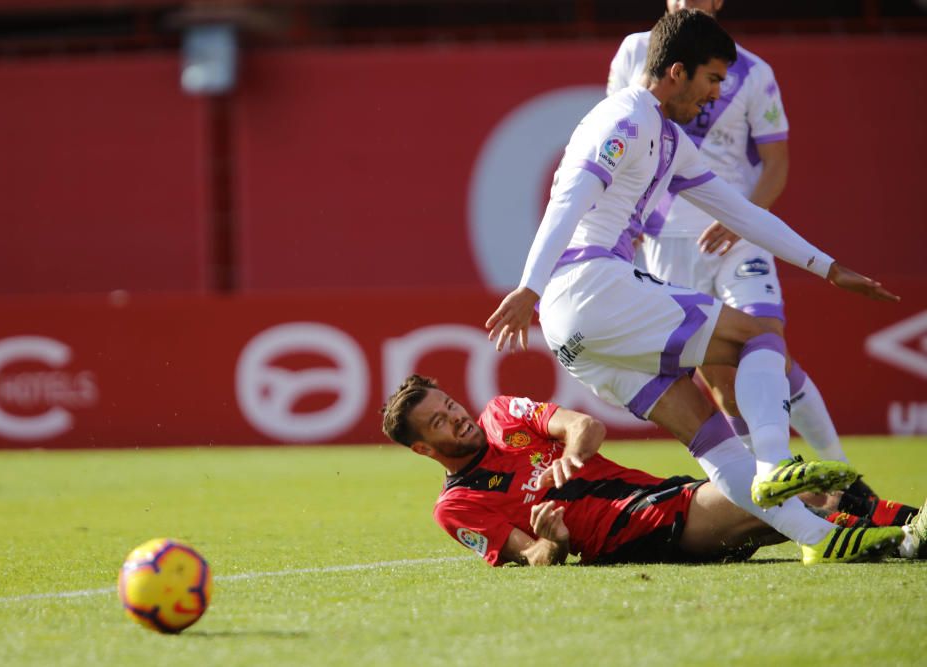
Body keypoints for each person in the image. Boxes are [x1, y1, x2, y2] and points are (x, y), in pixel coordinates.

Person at [483, 9, 907, 562]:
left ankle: (822, 540)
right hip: (590, 286)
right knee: (757, 336)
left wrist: (826, 267)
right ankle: (777, 464)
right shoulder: (625, 119)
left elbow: (742, 213)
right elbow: (568, 202)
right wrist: (528, 287)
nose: (713, 97)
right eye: (710, 80)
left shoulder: (668, 138)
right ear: (676, 72)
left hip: (575, 334)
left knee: (712, 437)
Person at [605, 0, 915, 527]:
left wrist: (746, 216)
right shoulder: (637, 51)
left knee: (765, 338)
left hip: (738, 234)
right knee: (722, 381)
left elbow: (776, 162)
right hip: (665, 241)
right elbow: (622, 142)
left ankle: (841, 478)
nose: (686, 3)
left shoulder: (752, 72)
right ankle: (786, 500)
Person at [380, 375, 925, 566]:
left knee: (792, 493)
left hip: (662, 494)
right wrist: (555, 538)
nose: (455, 418)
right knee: (782, 492)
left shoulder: (501, 416)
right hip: (636, 533)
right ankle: (911, 527)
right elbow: (537, 556)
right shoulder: (456, 508)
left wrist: (570, 453)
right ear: (425, 450)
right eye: (440, 422)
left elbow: (584, 425)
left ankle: (905, 534)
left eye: (449, 405)